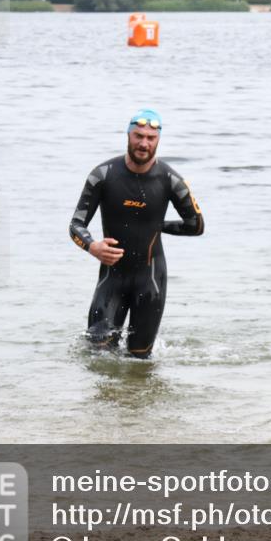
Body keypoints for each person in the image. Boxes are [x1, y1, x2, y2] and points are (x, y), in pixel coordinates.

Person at [69, 109, 204, 358]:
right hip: (111, 280)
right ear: (128, 136)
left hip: (150, 281)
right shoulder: (103, 175)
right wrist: (92, 247)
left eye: (150, 138)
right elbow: (76, 225)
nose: (143, 143)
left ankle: (138, 396)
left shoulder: (171, 180)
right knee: (96, 354)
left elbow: (196, 226)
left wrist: (157, 226)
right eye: (138, 136)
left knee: (139, 360)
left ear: (158, 141)